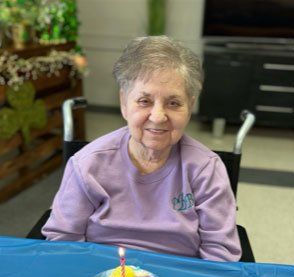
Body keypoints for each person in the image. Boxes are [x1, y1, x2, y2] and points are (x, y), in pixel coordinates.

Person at [42, 35, 241, 262]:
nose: (158, 117)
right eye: (144, 101)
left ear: (190, 106)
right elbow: (63, 242)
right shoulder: (87, 164)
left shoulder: (206, 169)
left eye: (174, 103)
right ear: (124, 103)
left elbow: (220, 253)